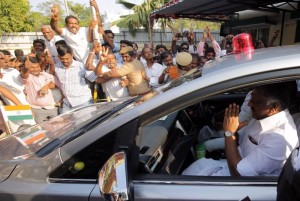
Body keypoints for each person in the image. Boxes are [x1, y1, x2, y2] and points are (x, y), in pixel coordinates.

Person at [183, 82, 299, 176]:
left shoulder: (279, 139)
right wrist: (234, 133)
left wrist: (229, 133)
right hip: (228, 165)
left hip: (240, 181)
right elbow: (240, 141)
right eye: (251, 98)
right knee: (192, 168)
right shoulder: (262, 117)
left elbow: (238, 173)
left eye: (255, 101)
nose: (249, 104)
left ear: (274, 107)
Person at [55, 44, 98, 113]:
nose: (65, 61)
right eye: (62, 59)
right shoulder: (56, 67)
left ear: (72, 55)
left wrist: (99, 65)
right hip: (67, 103)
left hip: (83, 102)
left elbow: (92, 78)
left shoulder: (80, 66)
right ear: (59, 56)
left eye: (67, 58)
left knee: (86, 123)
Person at [19, 56, 58, 123]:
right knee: (42, 131)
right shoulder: (28, 78)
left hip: (52, 108)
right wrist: (26, 68)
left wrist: (47, 86)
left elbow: (57, 83)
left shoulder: (44, 75)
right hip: (37, 110)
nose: (36, 69)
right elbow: (24, 75)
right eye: (32, 67)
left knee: (58, 129)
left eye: (37, 67)